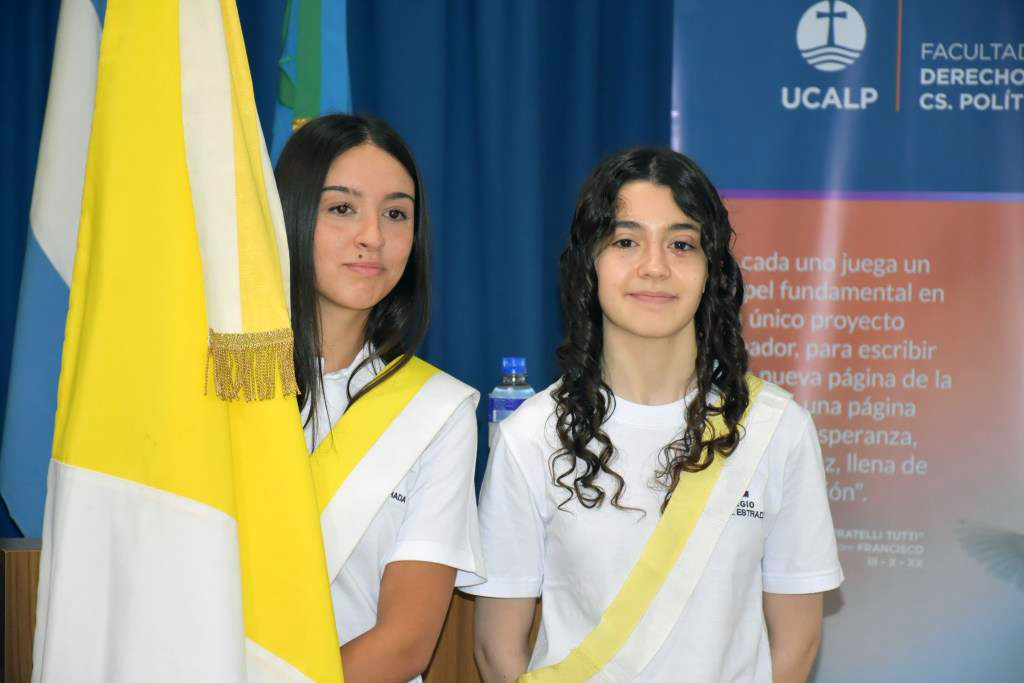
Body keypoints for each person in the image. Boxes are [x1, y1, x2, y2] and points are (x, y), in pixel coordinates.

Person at [465, 148, 843, 682]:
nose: (655, 266)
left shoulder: (777, 429)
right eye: (625, 241)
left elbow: (798, 643)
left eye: (682, 244)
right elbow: (495, 649)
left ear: (712, 269)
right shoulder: (531, 435)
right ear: (588, 264)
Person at [275, 114, 484, 683]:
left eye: (396, 213)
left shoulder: (438, 412)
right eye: (341, 208)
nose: (372, 236)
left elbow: (406, 644)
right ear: (289, 214)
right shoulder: (225, 382)